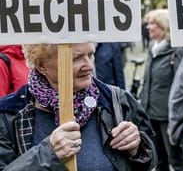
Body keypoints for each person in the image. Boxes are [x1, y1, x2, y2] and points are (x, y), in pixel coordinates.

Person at [0, 42, 155, 170]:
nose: (89, 65)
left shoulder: (117, 101)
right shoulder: (9, 113)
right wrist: (47, 153)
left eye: (90, 54)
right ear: (41, 65)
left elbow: (150, 161)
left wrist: (137, 148)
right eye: (76, 58)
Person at [139, 9, 183, 171]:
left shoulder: (174, 52)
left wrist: (176, 116)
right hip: (151, 115)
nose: (148, 27)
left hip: (168, 117)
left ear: (164, 27)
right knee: (158, 161)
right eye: (148, 23)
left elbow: (180, 85)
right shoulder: (152, 49)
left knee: (176, 160)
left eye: (153, 24)